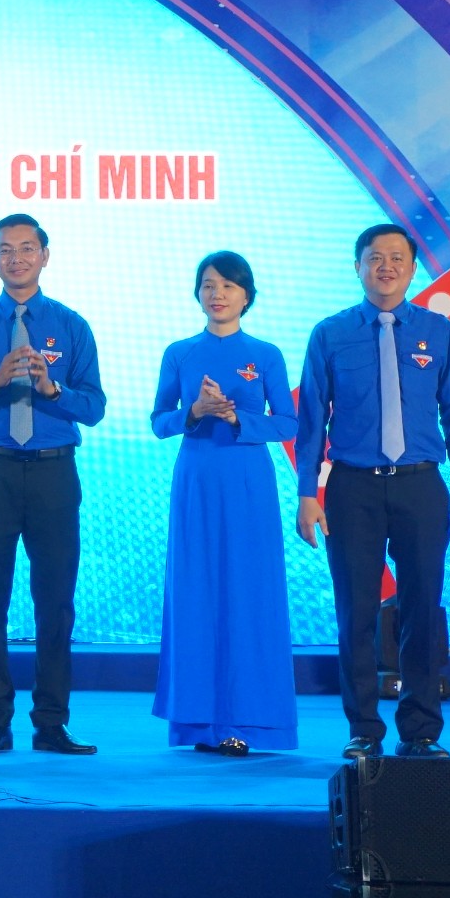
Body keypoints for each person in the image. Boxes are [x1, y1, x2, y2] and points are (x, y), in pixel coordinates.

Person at [296, 223, 450, 760]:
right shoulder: (330, 334)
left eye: (397, 258)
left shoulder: (439, 332)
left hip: (422, 485)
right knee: (355, 611)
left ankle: (421, 731)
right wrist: (308, 492)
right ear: (357, 267)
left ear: (412, 267)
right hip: (352, 488)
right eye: (375, 258)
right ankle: (363, 731)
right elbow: (311, 421)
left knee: (422, 607)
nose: (386, 267)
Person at [0, 213, 106, 756]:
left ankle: (52, 722)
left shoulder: (71, 324)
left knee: (55, 599)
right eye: (5, 251)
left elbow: (96, 407)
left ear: (45, 256)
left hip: (55, 470)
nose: (17, 258)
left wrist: (51, 389)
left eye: (27, 248)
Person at [149, 251, 300, 756]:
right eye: (209, 285)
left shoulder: (267, 354)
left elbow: (289, 423)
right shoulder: (180, 353)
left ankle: (247, 723)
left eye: (230, 286)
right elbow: (158, 421)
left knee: (247, 593)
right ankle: (197, 724)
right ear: (197, 293)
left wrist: (237, 419)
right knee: (194, 593)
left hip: (247, 482)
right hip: (196, 479)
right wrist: (194, 410)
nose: (218, 294)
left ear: (247, 296)